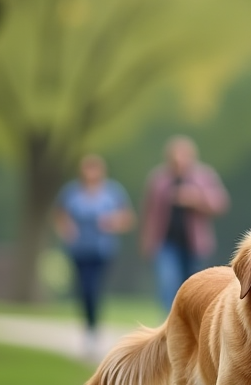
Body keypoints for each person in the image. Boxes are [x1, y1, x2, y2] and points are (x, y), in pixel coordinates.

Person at [54, 154, 136, 356]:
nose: (91, 173)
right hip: (79, 249)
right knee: (83, 288)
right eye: (87, 169)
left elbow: (128, 218)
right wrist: (67, 229)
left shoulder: (112, 192)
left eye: (94, 169)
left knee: (93, 288)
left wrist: (112, 222)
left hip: (103, 249)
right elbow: (60, 215)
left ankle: (92, 330)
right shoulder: (72, 192)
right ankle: (88, 326)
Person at [140, 135, 230, 313]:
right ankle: (168, 325)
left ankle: (192, 325)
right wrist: (147, 240)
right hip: (165, 242)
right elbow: (149, 212)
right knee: (168, 283)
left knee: (194, 287)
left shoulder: (204, 176)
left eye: (184, 157)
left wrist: (195, 199)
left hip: (194, 244)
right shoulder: (159, 180)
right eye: (175, 157)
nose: (179, 161)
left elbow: (220, 204)